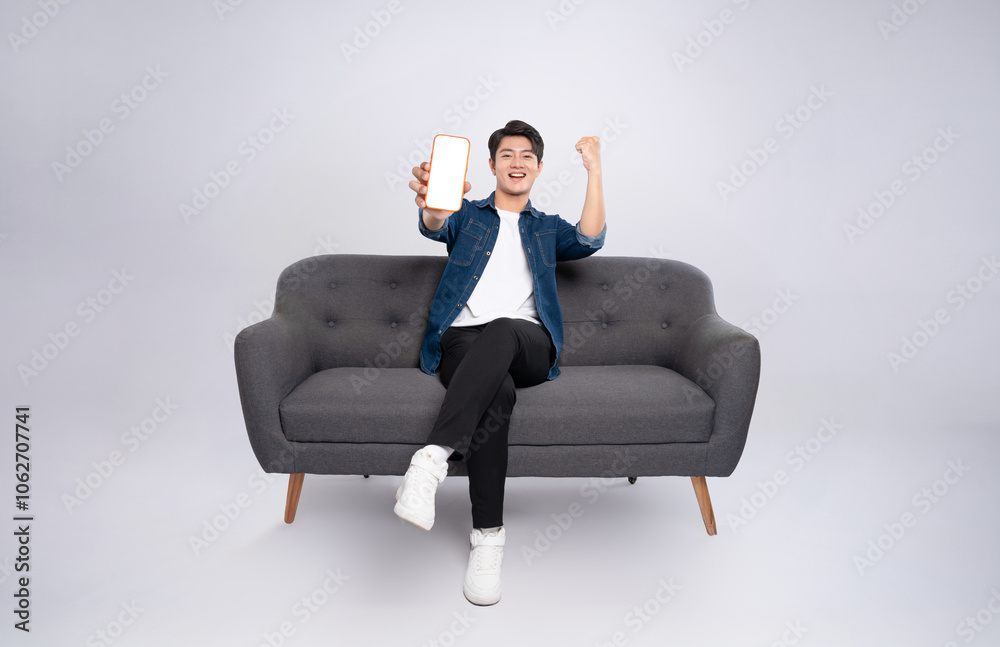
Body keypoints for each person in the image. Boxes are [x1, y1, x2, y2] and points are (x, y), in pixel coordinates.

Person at [396, 119, 606, 606]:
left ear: (537, 167)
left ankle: (430, 459)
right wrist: (433, 206)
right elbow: (434, 223)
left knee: (504, 327)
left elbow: (591, 239)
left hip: (528, 342)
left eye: (527, 155)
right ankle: (487, 540)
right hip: (463, 343)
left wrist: (594, 170)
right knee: (498, 396)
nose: (517, 162)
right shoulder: (467, 217)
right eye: (507, 155)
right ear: (491, 165)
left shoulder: (546, 228)